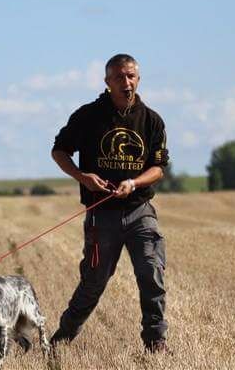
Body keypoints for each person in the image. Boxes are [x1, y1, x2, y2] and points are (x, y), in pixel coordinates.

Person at [50, 53, 169, 353]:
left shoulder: (152, 121)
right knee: (94, 283)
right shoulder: (88, 116)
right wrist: (82, 176)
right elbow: (59, 151)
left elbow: (158, 168)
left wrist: (134, 182)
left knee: (151, 274)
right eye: (119, 77)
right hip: (101, 214)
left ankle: (156, 343)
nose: (126, 82)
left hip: (140, 210)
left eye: (130, 76)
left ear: (138, 79)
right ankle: (61, 340)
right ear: (107, 82)